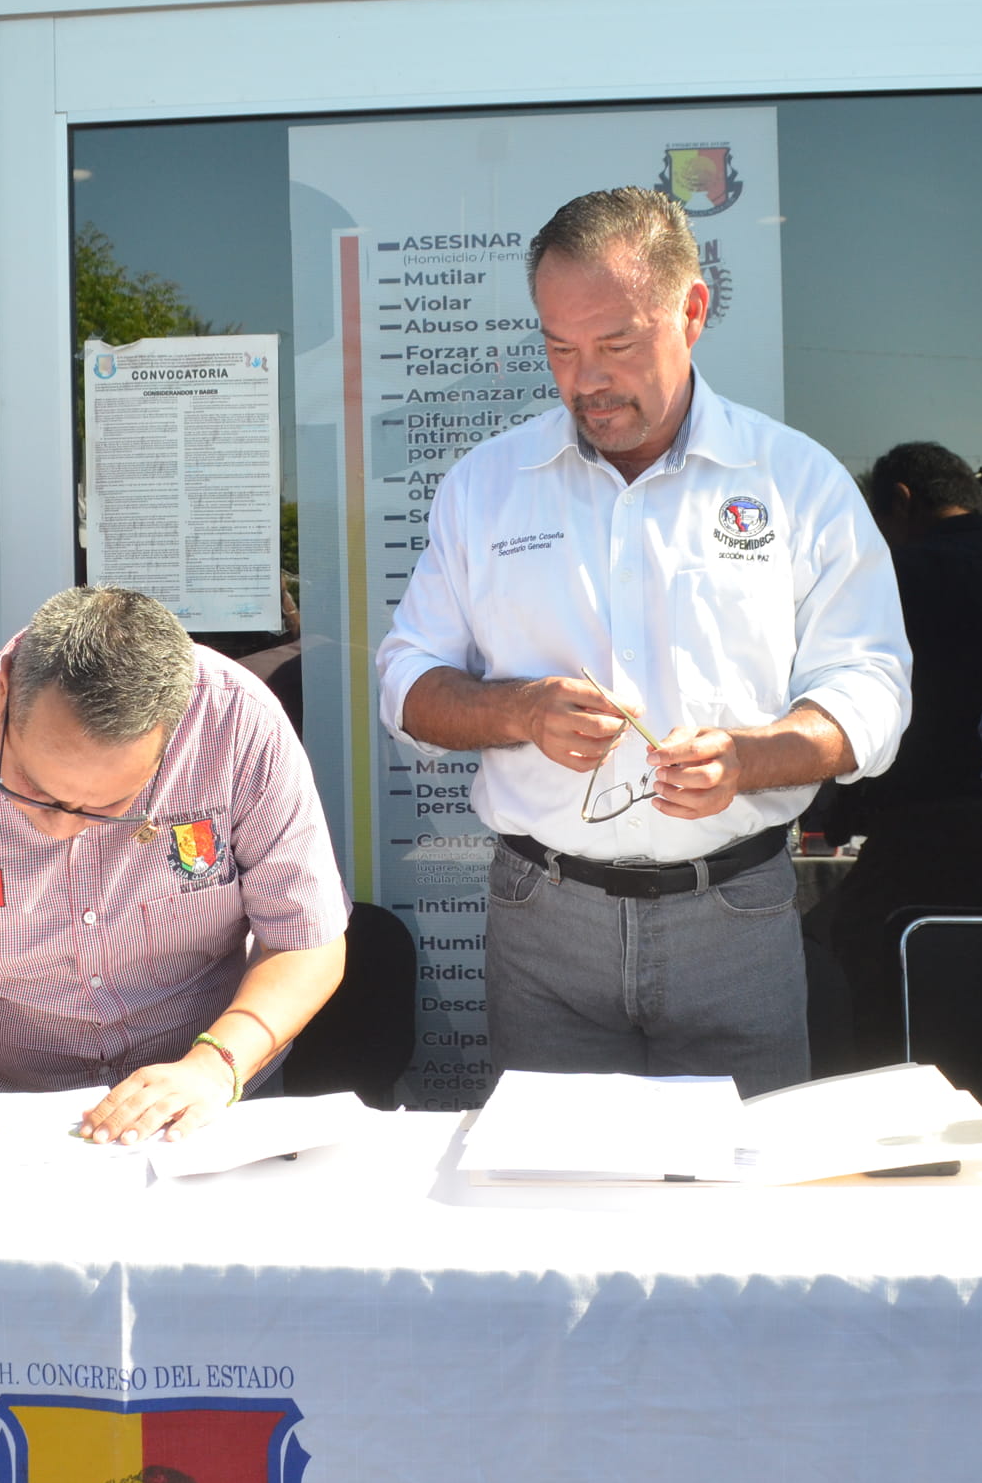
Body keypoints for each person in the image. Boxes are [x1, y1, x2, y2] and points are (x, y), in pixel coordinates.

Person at [374, 186, 911, 1096]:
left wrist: (754, 757)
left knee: (739, 1208)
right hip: (544, 917)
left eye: (616, 343)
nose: (586, 378)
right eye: (559, 347)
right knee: (553, 1210)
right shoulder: (488, 486)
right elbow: (405, 681)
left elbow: (872, 691)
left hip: (736, 913)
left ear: (692, 311)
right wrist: (519, 711)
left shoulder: (796, 481)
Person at [0, 585, 347, 1149]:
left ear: (174, 732)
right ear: (5, 691)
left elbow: (306, 940)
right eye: (33, 789)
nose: (61, 826)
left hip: (203, 1108)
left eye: (108, 807)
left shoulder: (236, 721)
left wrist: (213, 1066)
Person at [819, 441, 982, 1068]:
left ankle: (888, 1110)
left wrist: (838, 811)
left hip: (917, 824)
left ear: (902, 503)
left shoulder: (899, 578)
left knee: (859, 960)